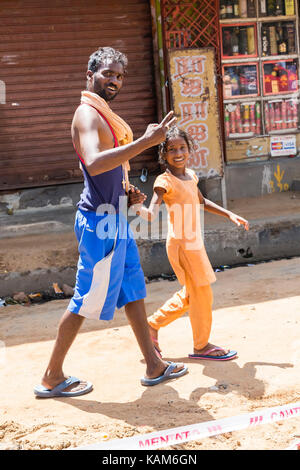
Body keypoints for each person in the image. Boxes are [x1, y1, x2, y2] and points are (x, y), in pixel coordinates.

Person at [34, 47, 188, 398]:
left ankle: (154, 365)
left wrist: (127, 192)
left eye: (120, 76)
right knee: (86, 301)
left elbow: (110, 171)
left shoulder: (105, 115)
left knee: (133, 290)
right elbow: (93, 161)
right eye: (108, 74)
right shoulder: (87, 115)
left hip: (116, 219)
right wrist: (146, 143)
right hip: (99, 225)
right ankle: (52, 376)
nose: (115, 81)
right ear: (90, 75)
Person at [132, 126, 249, 361]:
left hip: (193, 243)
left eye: (182, 148)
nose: (178, 153)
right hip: (182, 245)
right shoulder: (164, 181)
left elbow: (200, 199)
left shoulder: (191, 175)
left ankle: (152, 326)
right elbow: (151, 213)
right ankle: (201, 345)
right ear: (164, 154)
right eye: (172, 149)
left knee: (193, 293)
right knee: (202, 293)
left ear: (190, 149)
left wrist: (229, 214)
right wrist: (136, 205)